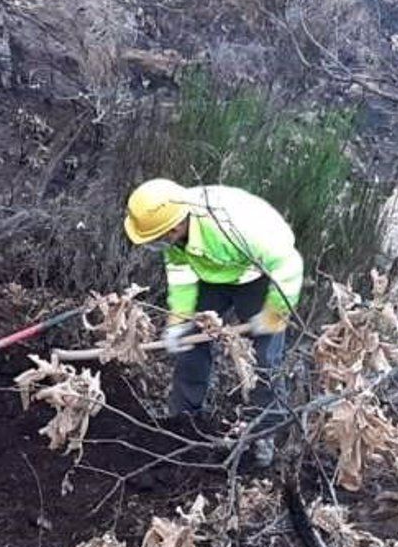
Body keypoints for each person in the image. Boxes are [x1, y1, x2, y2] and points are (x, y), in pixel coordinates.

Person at [122, 179, 303, 463]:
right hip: (211, 275)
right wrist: (178, 322)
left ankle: (264, 434)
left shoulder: (235, 226)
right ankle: (183, 422)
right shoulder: (175, 229)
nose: (158, 244)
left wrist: (275, 311)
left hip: (258, 275)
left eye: (159, 238)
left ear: (175, 227)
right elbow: (181, 278)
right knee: (188, 347)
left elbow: (288, 263)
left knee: (265, 359)